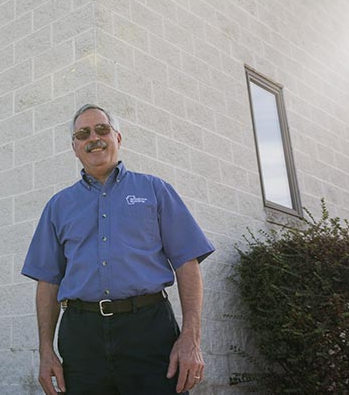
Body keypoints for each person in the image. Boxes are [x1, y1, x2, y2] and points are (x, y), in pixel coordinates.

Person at [22, 104, 215, 395]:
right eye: (83, 134)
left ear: (118, 138)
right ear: (74, 146)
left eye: (102, 129)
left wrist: (191, 337)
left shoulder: (155, 190)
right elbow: (48, 281)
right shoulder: (57, 206)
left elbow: (188, 264)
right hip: (81, 337)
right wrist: (45, 351)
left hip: (149, 331)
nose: (94, 138)